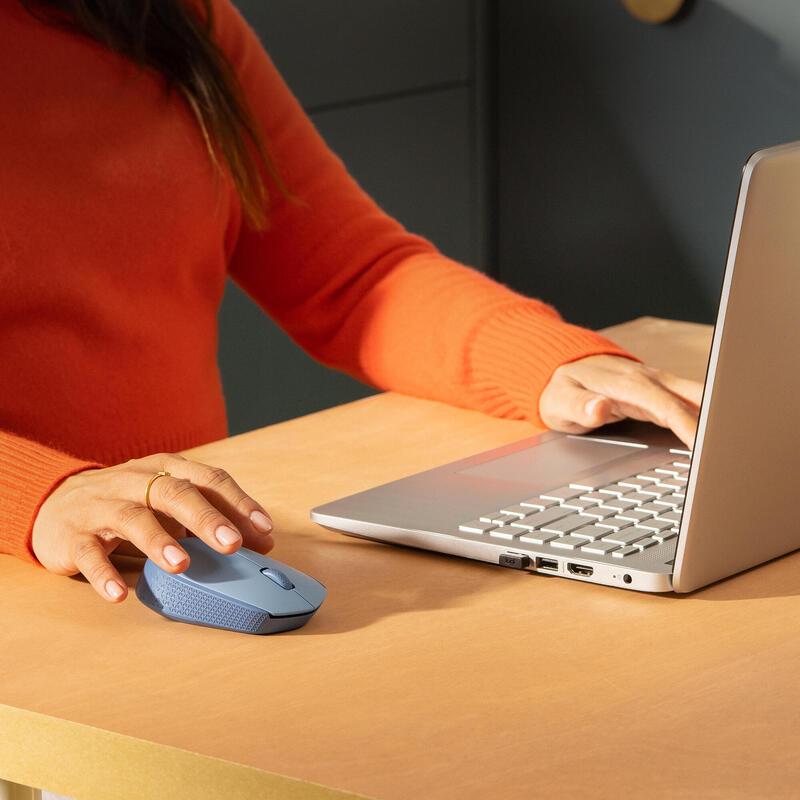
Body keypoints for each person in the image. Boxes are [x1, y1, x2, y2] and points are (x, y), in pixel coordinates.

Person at [0, 0, 703, 603]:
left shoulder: (174, 16)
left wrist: (550, 364)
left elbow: (351, 274)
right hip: (38, 572)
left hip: (192, 553)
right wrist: (39, 496)